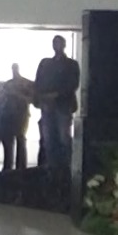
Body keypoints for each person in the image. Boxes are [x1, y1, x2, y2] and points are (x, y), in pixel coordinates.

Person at [33, 36, 80, 174]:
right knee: (48, 139)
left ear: (64, 45)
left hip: (63, 105)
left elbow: (72, 84)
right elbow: (38, 83)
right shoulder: (45, 63)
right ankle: (51, 168)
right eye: (55, 43)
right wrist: (42, 97)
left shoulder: (71, 64)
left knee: (63, 138)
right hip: (47, 105)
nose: (57, 46)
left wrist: (56, 94)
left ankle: (66, 169)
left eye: (59, 43)